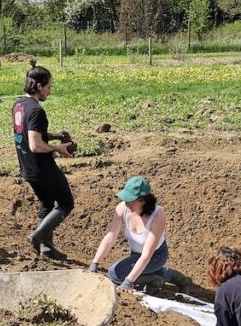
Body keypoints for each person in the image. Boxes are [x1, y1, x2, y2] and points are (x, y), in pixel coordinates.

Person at [12, 63, 75, 260]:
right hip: (42, 168)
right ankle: (37, 236)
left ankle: (46, 248)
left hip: (27, 167)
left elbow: (30, 133)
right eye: (49, 86)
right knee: (66, 203)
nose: (50, 90)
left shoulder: (19, 105)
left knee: (47, 203)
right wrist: (58, 148)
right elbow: (35, 145)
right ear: (39, 86)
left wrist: (55, 135)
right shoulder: (37, 111)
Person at [88, 176, 191, 294]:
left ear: (143, 200)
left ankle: (156, 280)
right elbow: (110, 236)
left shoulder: (158, 215)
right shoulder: (122, 208)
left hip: (156, 255)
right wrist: (95, 263)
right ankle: (181, 280)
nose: (127, 204)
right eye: (125, 200)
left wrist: (128, 282)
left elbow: (147, 254)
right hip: (136, 254)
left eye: (130, 201)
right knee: (138, 270)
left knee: (115, 274)